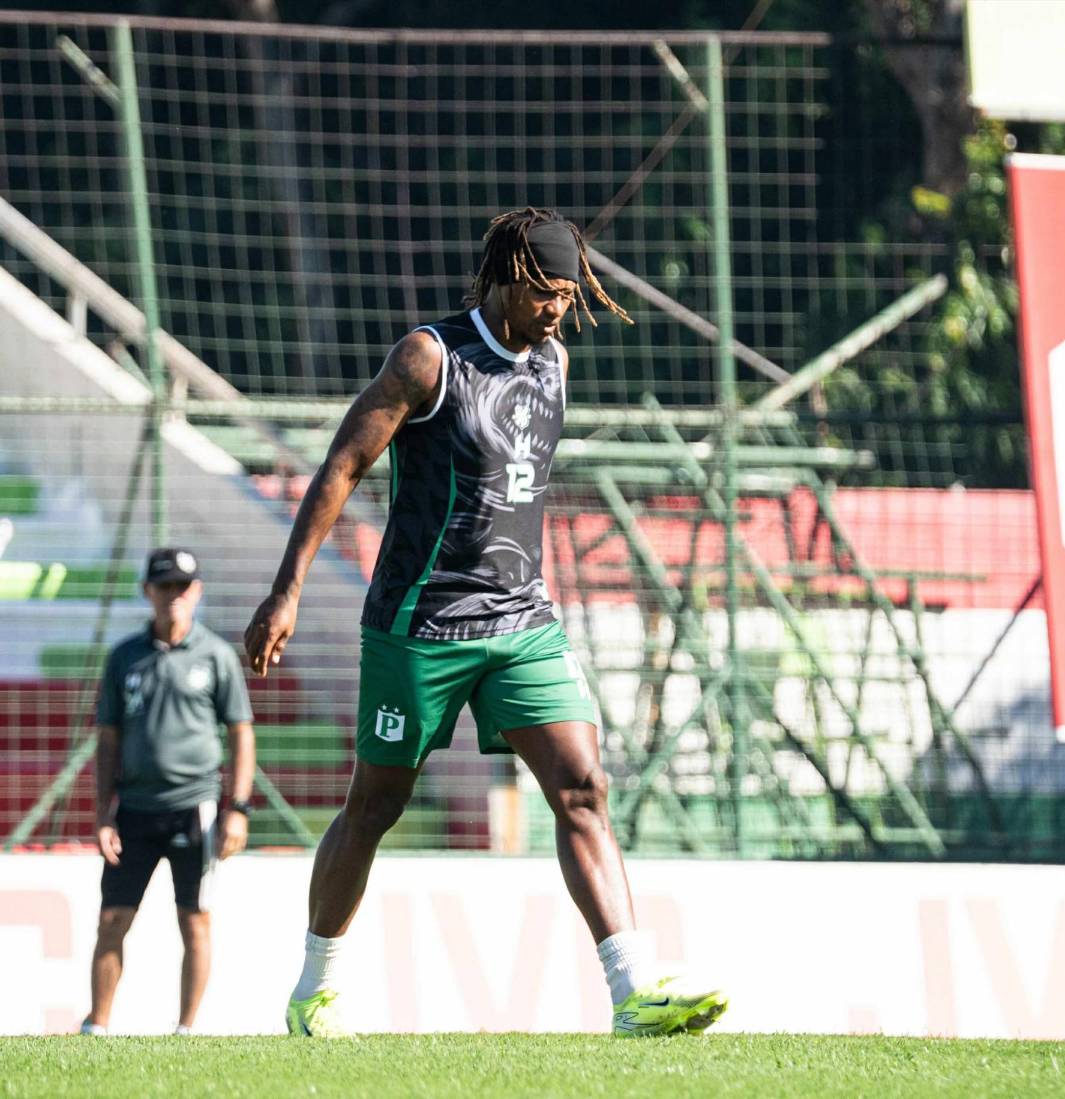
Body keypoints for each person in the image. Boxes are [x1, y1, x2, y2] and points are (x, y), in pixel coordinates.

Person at [245, 208, 728, 1038]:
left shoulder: (556, 363)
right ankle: (312, 989)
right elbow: (345, 463)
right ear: (509, 276)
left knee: (584, 786)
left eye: (570, 297)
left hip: (521, 621)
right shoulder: (428, 358)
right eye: (547, 293)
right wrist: (286, 587)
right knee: (375, 806)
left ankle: (632, 992)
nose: (558, 311)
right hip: (420, 624)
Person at [81, 547, 256, 1036]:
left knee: (195, 920)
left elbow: (241, 731)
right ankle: (98, 1026)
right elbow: (108, 737)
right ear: (147, 592)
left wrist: (236, 808)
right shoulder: (125, 657)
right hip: (134, 810)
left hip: (194, 807)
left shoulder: (217, 656)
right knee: (113, 919)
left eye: (182, 587)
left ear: (196, 592)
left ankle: (187, 1029)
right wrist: (102, 813)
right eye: (164, 587)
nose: (173, 597)